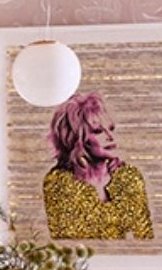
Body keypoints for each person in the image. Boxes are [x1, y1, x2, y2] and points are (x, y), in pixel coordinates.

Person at [40, 90, 155, 242]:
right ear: (76, 138)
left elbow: (144, 238)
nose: (111, 137)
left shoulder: (130, 177)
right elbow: (67, 245)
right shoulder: (58, 183)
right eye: (99, 131)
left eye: (111, 128)